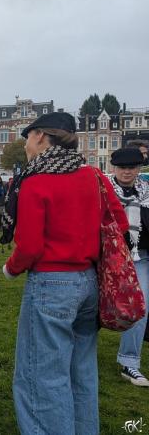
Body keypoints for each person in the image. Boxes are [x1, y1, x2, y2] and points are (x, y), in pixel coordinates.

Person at [0, 112, 127, 434]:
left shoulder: (37, 179)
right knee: (81, 372)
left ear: (40, 136)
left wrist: (10, 269)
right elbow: (119, 224)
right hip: (88, 280)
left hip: (51, 282)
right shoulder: (94, 176)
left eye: (27, 136)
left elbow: (28, 245)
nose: (26, 144)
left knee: (41, 377)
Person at [107, 148, 149, 387]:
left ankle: (130, 363)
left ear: (138, 169)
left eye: (131, 167)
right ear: (114, 168)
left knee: (140, 307)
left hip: (140, 257)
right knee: (91, 306)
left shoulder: (146, 193)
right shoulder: (104, 190)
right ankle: (78, 354)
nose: (127, 171)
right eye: (122, 167)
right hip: (108, 257)